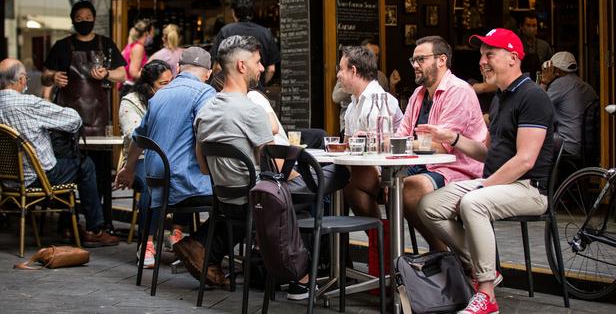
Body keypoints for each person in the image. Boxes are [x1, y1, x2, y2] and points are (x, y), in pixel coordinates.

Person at [194, 35, 348, 299]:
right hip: (262, 201)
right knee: (341, 172)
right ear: (242, 66)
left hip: (228, 201)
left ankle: (313, 261)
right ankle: (325, 267)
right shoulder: (252, 111)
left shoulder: (205, 111)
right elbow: (278, 169)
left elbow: (205, 168)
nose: (262, 68)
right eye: (258, 61)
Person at [416, 28, 555, 314]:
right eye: (481, 55)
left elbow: (525, 161)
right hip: (498, 183)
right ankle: (486, 264)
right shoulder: (500, 98)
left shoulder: (533, 97)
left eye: (489, 54)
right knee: (428, 204)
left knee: (473, 202)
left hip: (528, 188)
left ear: (513, 58)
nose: (482, 62)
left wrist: (484, 185)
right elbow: (486, 152)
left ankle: (487, 292)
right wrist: (450, 137)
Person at [114, 47, 221, 284]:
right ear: (208, 73)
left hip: (157, 187)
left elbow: (138, 138)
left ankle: (196, 250)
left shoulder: (159, 95)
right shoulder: (206, 92)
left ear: (179, 69)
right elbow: (207, 135)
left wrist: (128, 169)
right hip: (187, 186)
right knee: (238, 199)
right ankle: (200, 250)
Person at [0, 58, 119, 247]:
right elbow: (73, 119)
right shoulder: (29, 103)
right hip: (39, 175)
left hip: (8, 180)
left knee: (63, 162)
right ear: (22, 80)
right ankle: (95, 229)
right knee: (84, 165)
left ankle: (67, 227)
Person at [393, 36, 487, 251]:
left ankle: (446, 253)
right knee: (389, 187)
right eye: (413, 60)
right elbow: (402, 135)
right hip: (426, 166)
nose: (415, 65)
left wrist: (404, 143)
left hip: (459, 169)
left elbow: (441, 147)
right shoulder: (418, 94)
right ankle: (436, 253)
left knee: (409, 189)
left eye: (421, 59)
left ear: (441, 60)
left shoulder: (459, 91)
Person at [42, 0, 126, 136]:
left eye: (88, 18)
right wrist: (53, 76)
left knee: (98, 155)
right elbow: (44, 78)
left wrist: (107, 73)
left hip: (99, 117)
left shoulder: (106, 44)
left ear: (94, 19)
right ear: (73, 21)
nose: (84, 21)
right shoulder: (61, 46)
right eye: (79, 18)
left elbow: (122, 75)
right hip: (67, 118)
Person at [118, 60, 173, 269]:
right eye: (163, 84)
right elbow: (135, 137)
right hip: (140, 157)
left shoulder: (173, 99)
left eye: (171, 83)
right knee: (154, 183)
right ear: (148, 85)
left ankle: (181, 237)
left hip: (169, 157)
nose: (168, 88)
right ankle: (147, 243)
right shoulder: (130, 102)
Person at [338, 46, 403, 219]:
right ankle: (380, 241)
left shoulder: (380, 99)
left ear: (353, 70)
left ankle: (382, 241)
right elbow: (348, 146)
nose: (338, 75)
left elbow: (382, 148)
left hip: (393, 170)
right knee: (338, 180)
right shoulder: (352, 104)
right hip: (367, 168)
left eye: (341, 69)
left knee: (344, 184)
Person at [209, 0, 280, 88]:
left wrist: (223, 87)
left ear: (233, 12)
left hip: (232, 92)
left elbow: (217, 67)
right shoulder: (265, 33)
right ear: (251, 11)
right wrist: (259, 85)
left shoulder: (225, 31)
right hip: (257, 92)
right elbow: (271, 69)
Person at [539, 51, 597, 157]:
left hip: (568, 144)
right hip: (587, 145)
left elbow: (535, 106)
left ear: (556, 70)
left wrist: (544, 82)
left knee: (532, 138)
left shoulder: (560, 84)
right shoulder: (587, 87)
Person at [121, 19, 154, 96]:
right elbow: (133, 72)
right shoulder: (139, 47)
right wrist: (151, 73)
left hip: (129, 87)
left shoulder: (133, 45)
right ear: (147, 33)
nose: (153, 36)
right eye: (152, 32)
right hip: (132, 88)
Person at [518, 11, 552, 80]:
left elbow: (550, 68)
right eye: (528, 25)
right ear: (521, 26)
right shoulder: (515, 45)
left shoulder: (544, 46)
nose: (531, 29)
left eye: (534, 26)